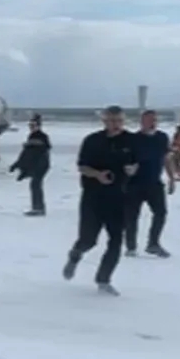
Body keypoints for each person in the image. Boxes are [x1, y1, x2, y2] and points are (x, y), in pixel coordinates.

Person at [63, 105, 139, 295]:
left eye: (119, 121)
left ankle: (104, 279)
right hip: (93, 197)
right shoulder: (92, 140)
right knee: (89, 239)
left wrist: (133, 169)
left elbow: (138, 162)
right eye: (112, 121)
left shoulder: (132, 140)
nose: (116, 125)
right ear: (104, 121)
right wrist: (97, 174)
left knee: (115, 240)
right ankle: (76, 254)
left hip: (120, 198)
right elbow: (81, 167)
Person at [124, 109, 174, 258]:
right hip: (134, 184)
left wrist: (171, 178)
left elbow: (166, 158)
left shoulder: (162, 138)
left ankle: (153, 244)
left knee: (161, 213)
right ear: (142, 122)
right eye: (149, 120)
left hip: (154, 183)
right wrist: (128, 170)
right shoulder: (133, 139)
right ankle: (131, 246)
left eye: (154, 120)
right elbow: (124, 161)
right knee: (131, 216)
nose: (152, 123)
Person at [8, 113, 51, 216]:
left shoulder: (42, 136)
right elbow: (26, 154)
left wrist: (31, 145)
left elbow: (42, 148)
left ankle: (39, 208)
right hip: (37, 165)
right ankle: (38, 207)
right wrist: (16, 165)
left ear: (38, 126)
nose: (31, 127)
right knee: (35, 185)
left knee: (35, 185)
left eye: (33, 125)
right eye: (30, 125)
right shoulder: (32, 136)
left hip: (41, 165)